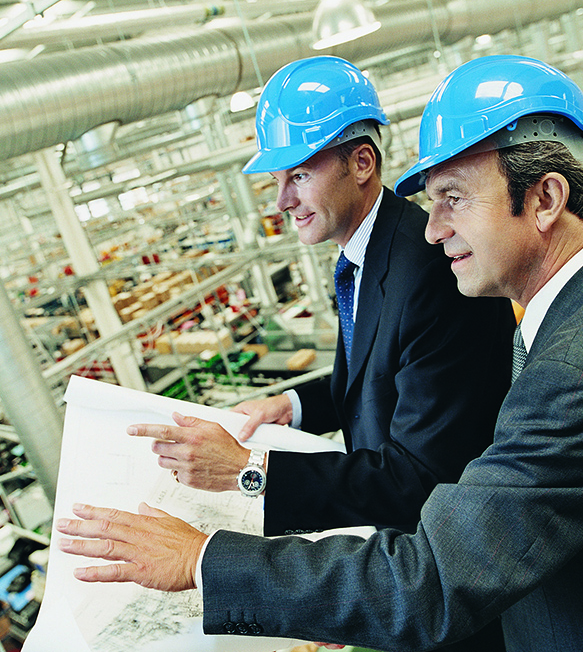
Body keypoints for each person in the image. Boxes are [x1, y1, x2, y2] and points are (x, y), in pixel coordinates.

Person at [57, 55, 583, 650]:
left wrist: (203, 560)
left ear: (547, 196)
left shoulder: (582, 372)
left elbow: (431, 580)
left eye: (454, 199)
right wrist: (293, 404)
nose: (433, 233)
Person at [128, 55, 512, 541]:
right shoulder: (365, 258)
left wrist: (248, 470)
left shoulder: (430, 269)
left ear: (362, 163)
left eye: (300, 177)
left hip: (454, 547)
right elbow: (377, 377)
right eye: (277, 182)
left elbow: (420, 476)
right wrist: (290, 405)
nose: (282, 202)